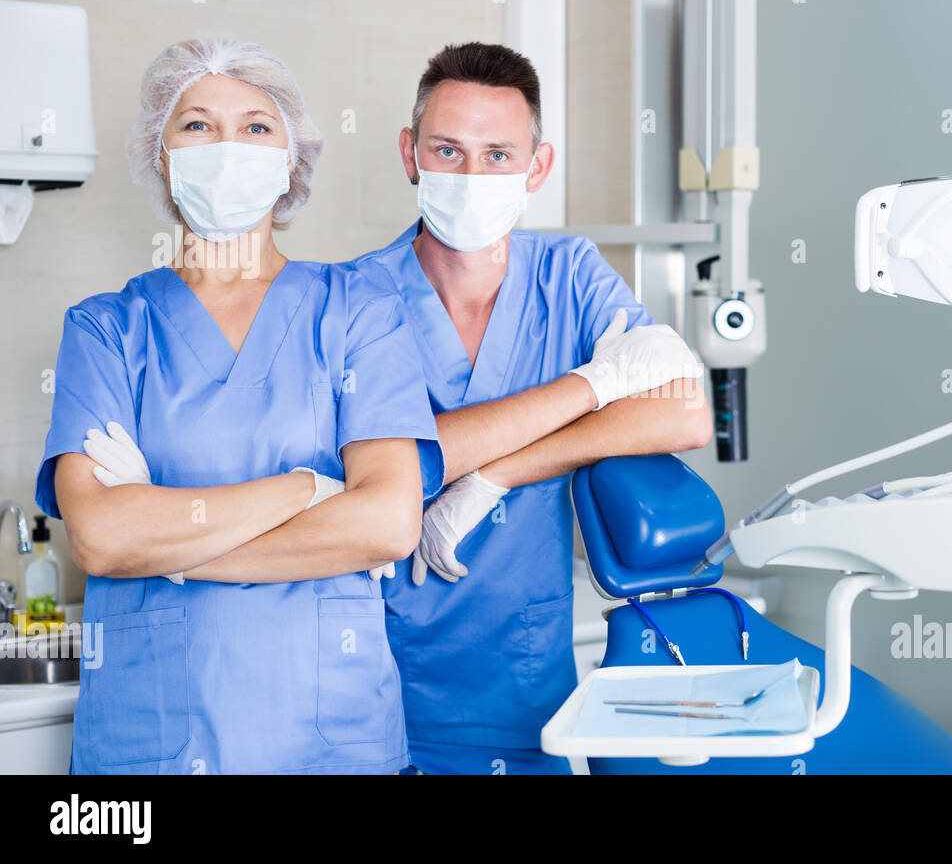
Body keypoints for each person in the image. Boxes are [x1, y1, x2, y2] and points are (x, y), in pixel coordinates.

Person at [35, 39, 438, 774]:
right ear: (160, 155)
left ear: (292, 159)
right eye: (196, 126)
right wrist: (307, 491)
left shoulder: (357, 311)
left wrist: (170, 542)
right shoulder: (106, 329)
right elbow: (99, 539)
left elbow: (386, 521)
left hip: (332, 743)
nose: (227, 146)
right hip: (151, 750)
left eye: (256, 126)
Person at [344, 42, 714, 775]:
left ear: (536, 168)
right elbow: (411, 456)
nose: (471, 176)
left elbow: (686, 412)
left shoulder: (568, 274)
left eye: (498, 154)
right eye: (447, 150)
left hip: (524, 695)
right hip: (376, 693)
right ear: (410, 154)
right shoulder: (350, 298)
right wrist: (590, 385)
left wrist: (499, 476)